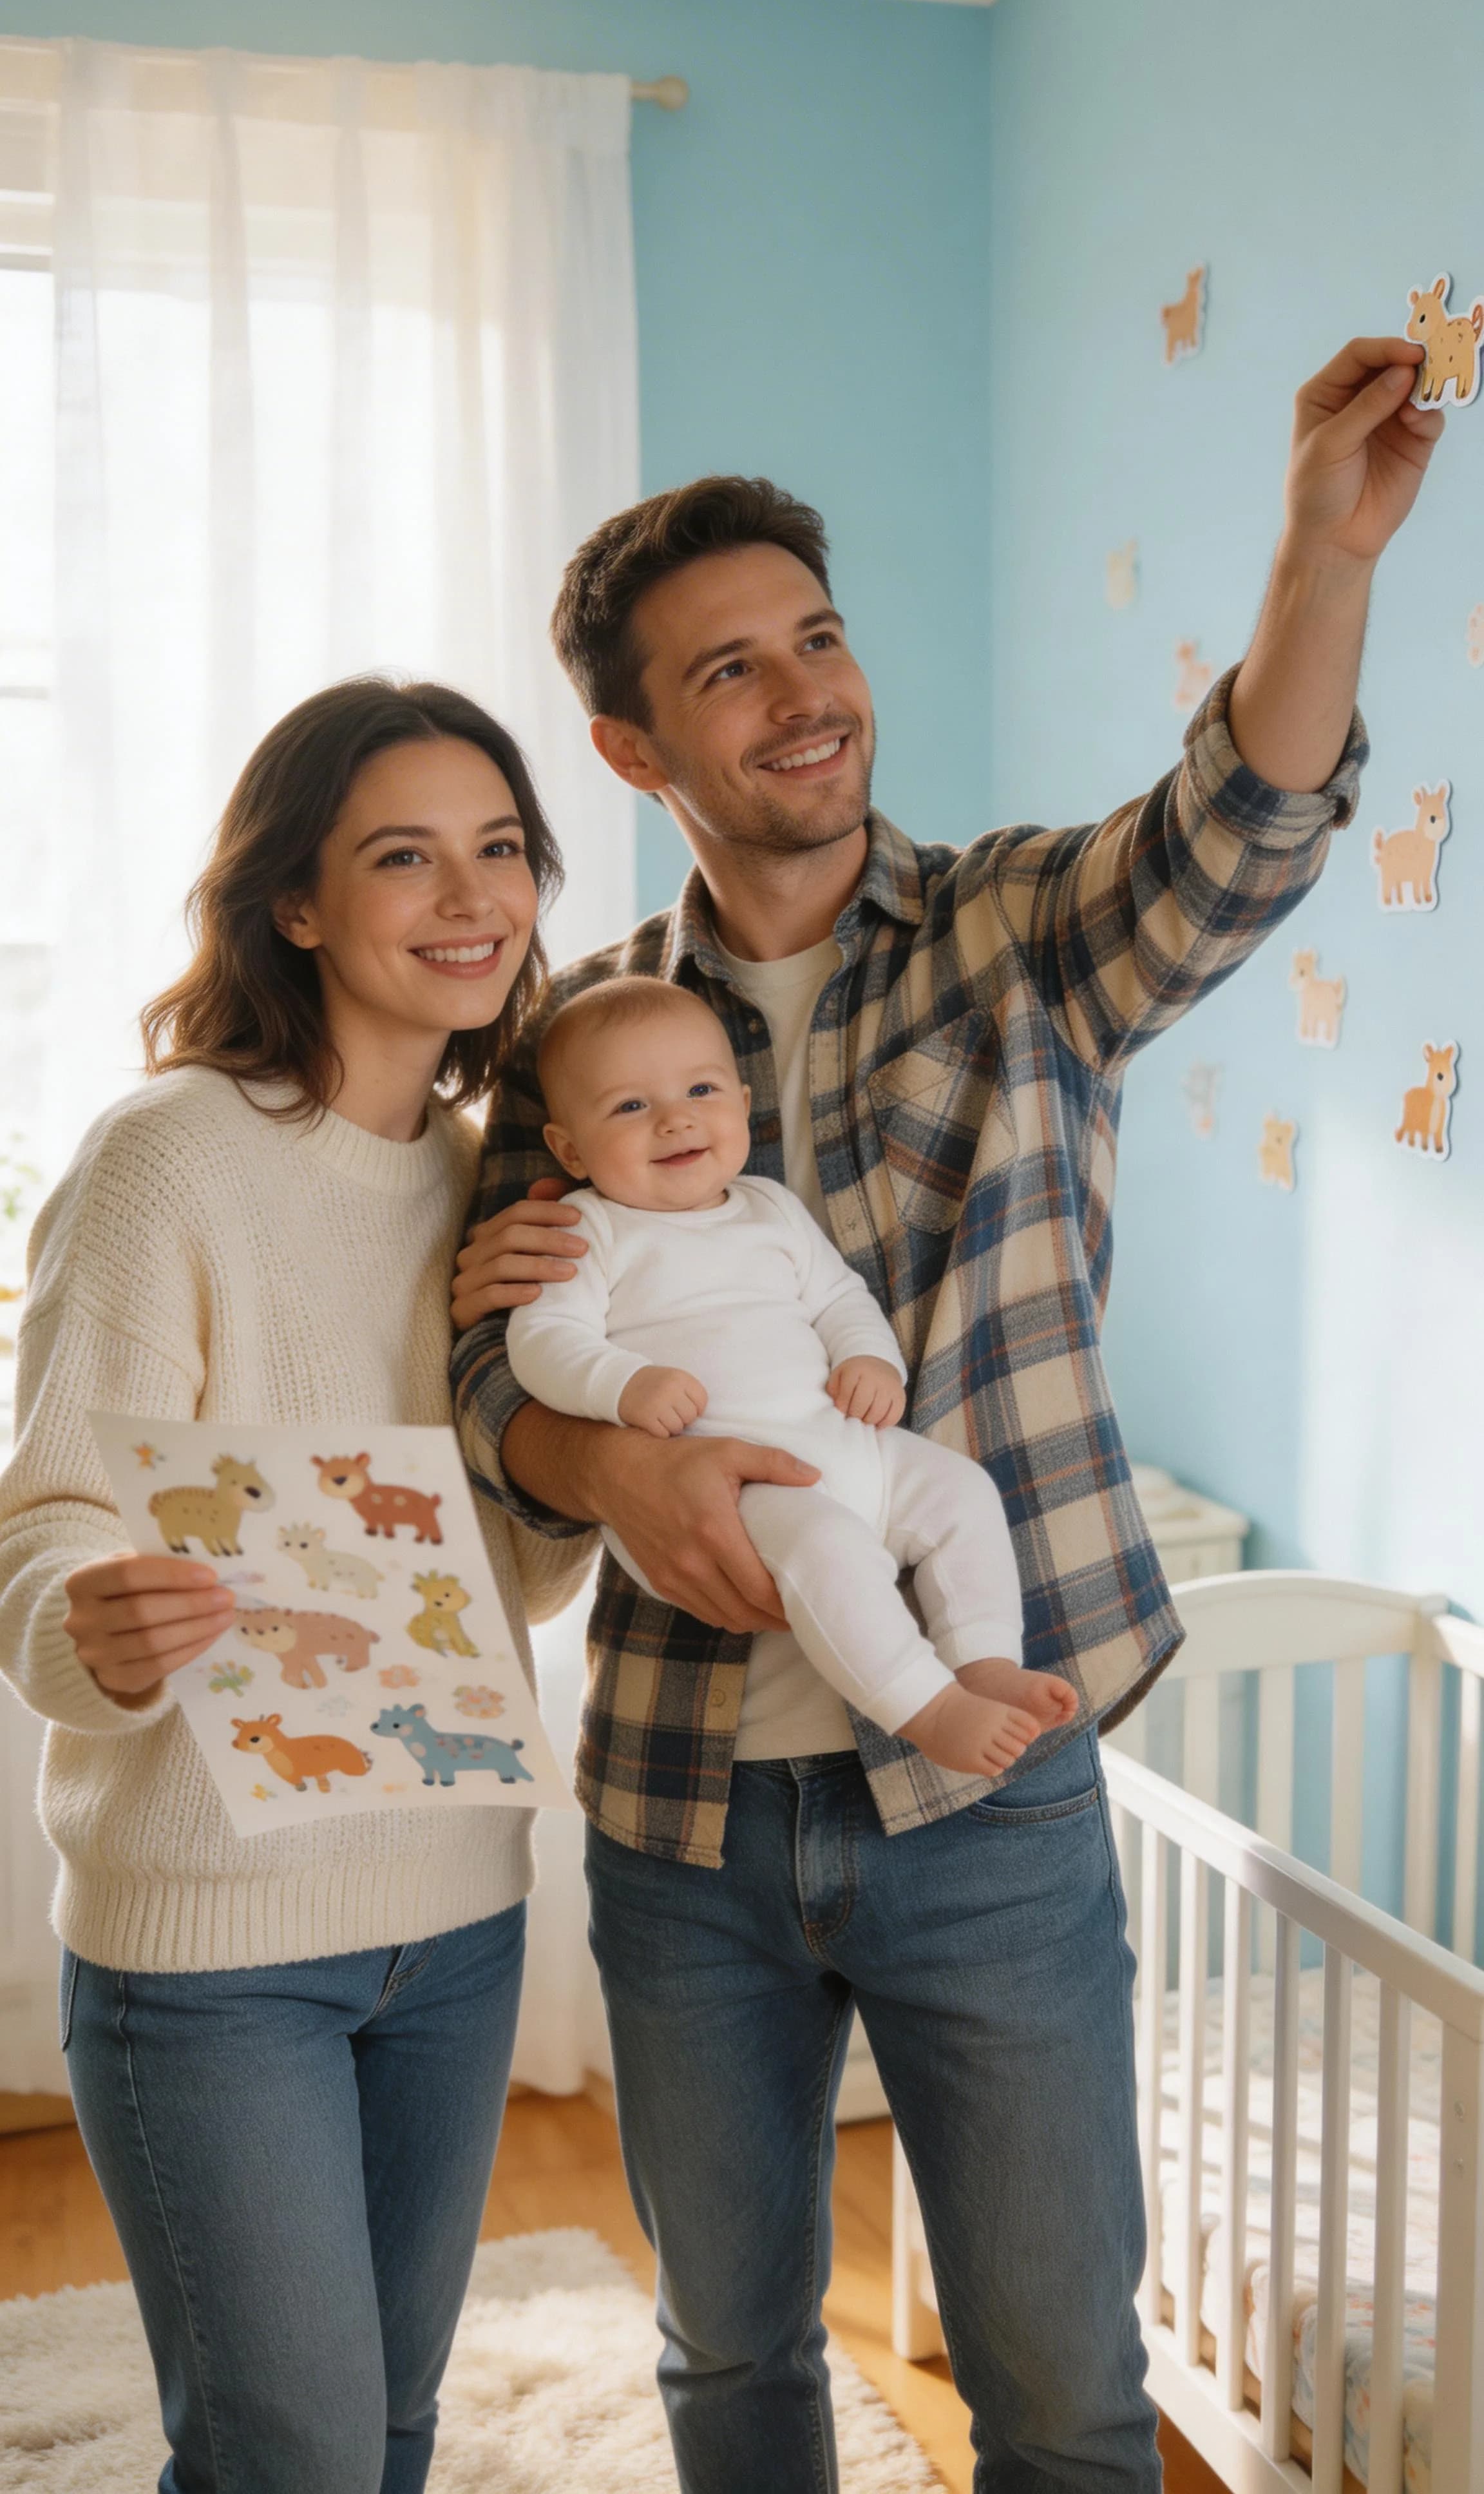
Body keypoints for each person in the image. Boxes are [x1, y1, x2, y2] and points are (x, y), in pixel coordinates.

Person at [452, 338, 1443, 2492]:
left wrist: (1322, 546)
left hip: (986, 1793)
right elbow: (481, 1357)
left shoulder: (1013, 936)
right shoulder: (574, 1032)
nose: (804, 688)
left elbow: (1238, 826)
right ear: (631, 744)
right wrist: (593, 1450)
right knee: (728, 2360)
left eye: (816, 635)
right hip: (681, 1805)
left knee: (1065, 2397)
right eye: (729, 669)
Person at [0, 679, 593, 2494]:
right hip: (212, 1944)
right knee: (297, 2456)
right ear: (297, 905)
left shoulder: (508, 1185)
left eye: (499, 848)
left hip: (457, 1912)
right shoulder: (168, 1158)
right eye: (402, 856)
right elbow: (42, 1529)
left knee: (395, 2429)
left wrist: (577, 1440)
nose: (468, 895)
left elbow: (519, 1575)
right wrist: (91, 1620)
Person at [508, 974, 1077, 1775]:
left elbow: (838, 1296)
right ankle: (928, 1707)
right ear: (569, 1148)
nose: (674, 1118)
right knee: (830, 1548)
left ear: (742, 1105)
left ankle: (982, 1661)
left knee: (962, 1494)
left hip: (844, 1445)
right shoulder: (589, 1230)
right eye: (630, 1107)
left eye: (700, 1090)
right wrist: (621, 1384)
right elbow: (541, 1340)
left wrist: (866, 1356)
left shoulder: (770, 1207)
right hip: (733, 1493)